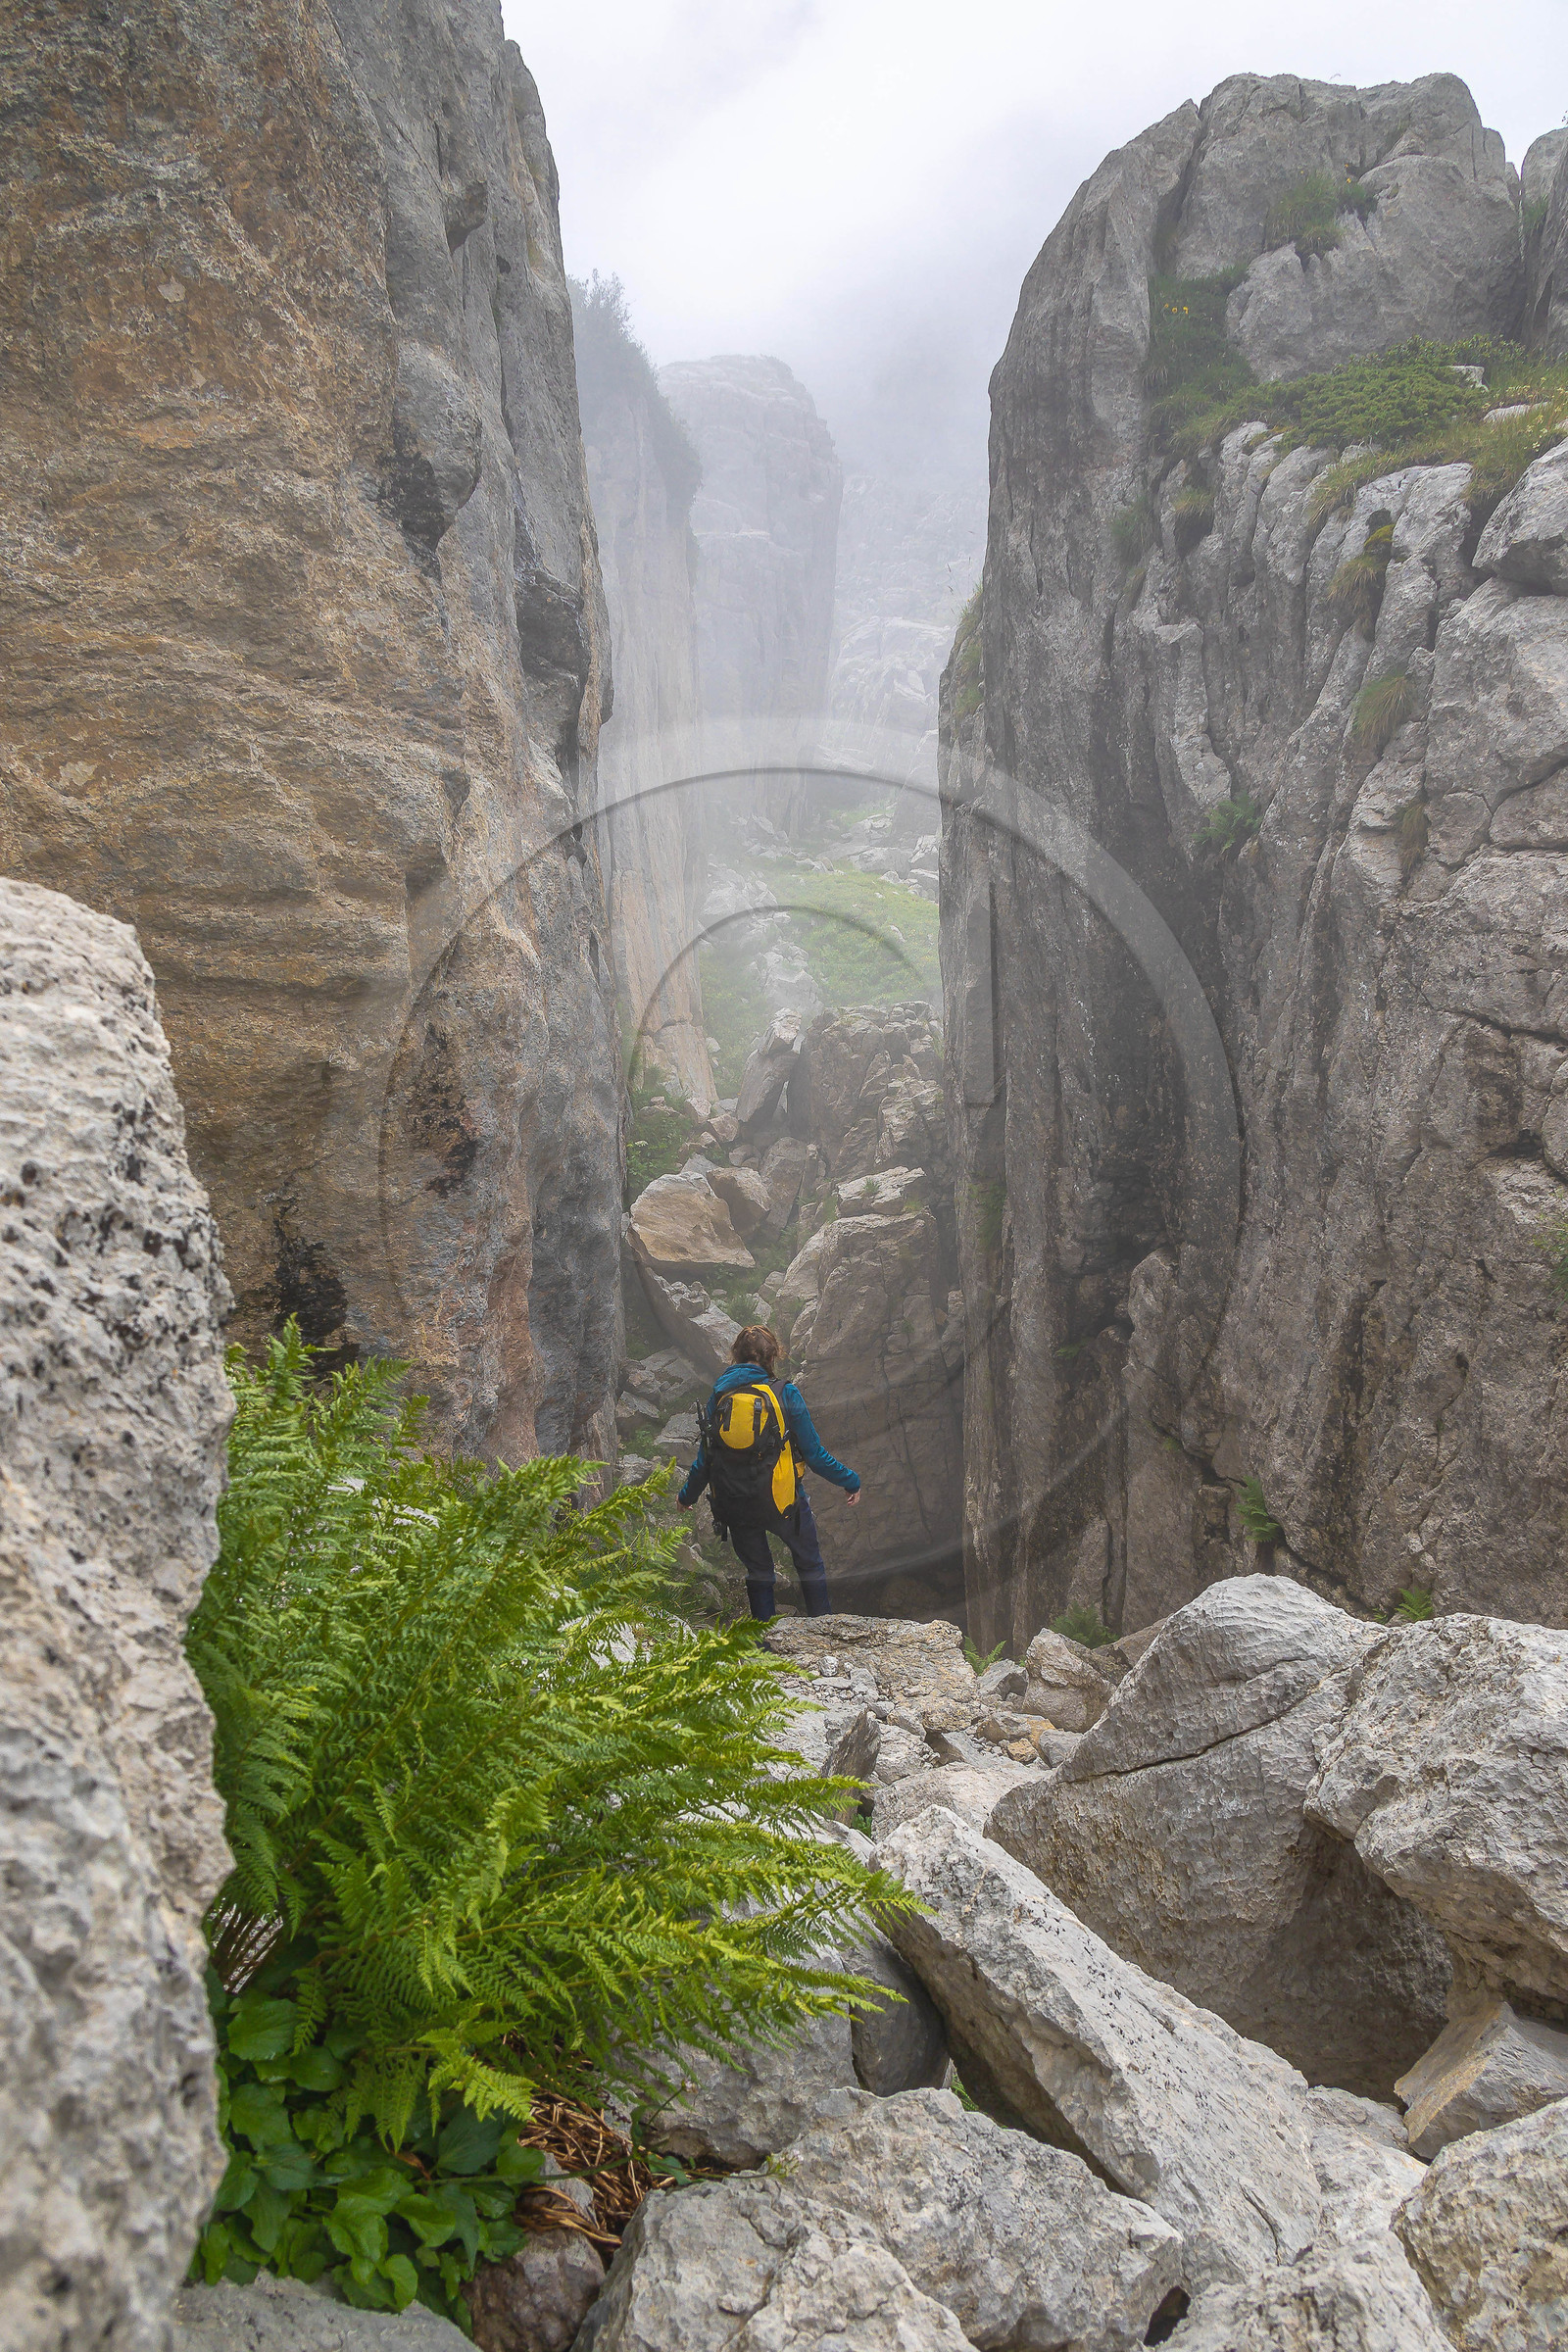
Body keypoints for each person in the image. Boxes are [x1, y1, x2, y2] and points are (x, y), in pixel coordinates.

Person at [677, 1324, 859, 1620]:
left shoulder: (719, 1395)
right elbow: (814, 1455)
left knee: (759, 1573)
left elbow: (706, 1460)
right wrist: (851, 1481)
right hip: (783, 1501)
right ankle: (823, 1629)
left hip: (735, 1504)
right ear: (772, 1356)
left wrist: (686, 1496)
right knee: (810, 1564)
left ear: (735, 1356)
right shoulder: (785, 1393)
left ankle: (763, 1646)